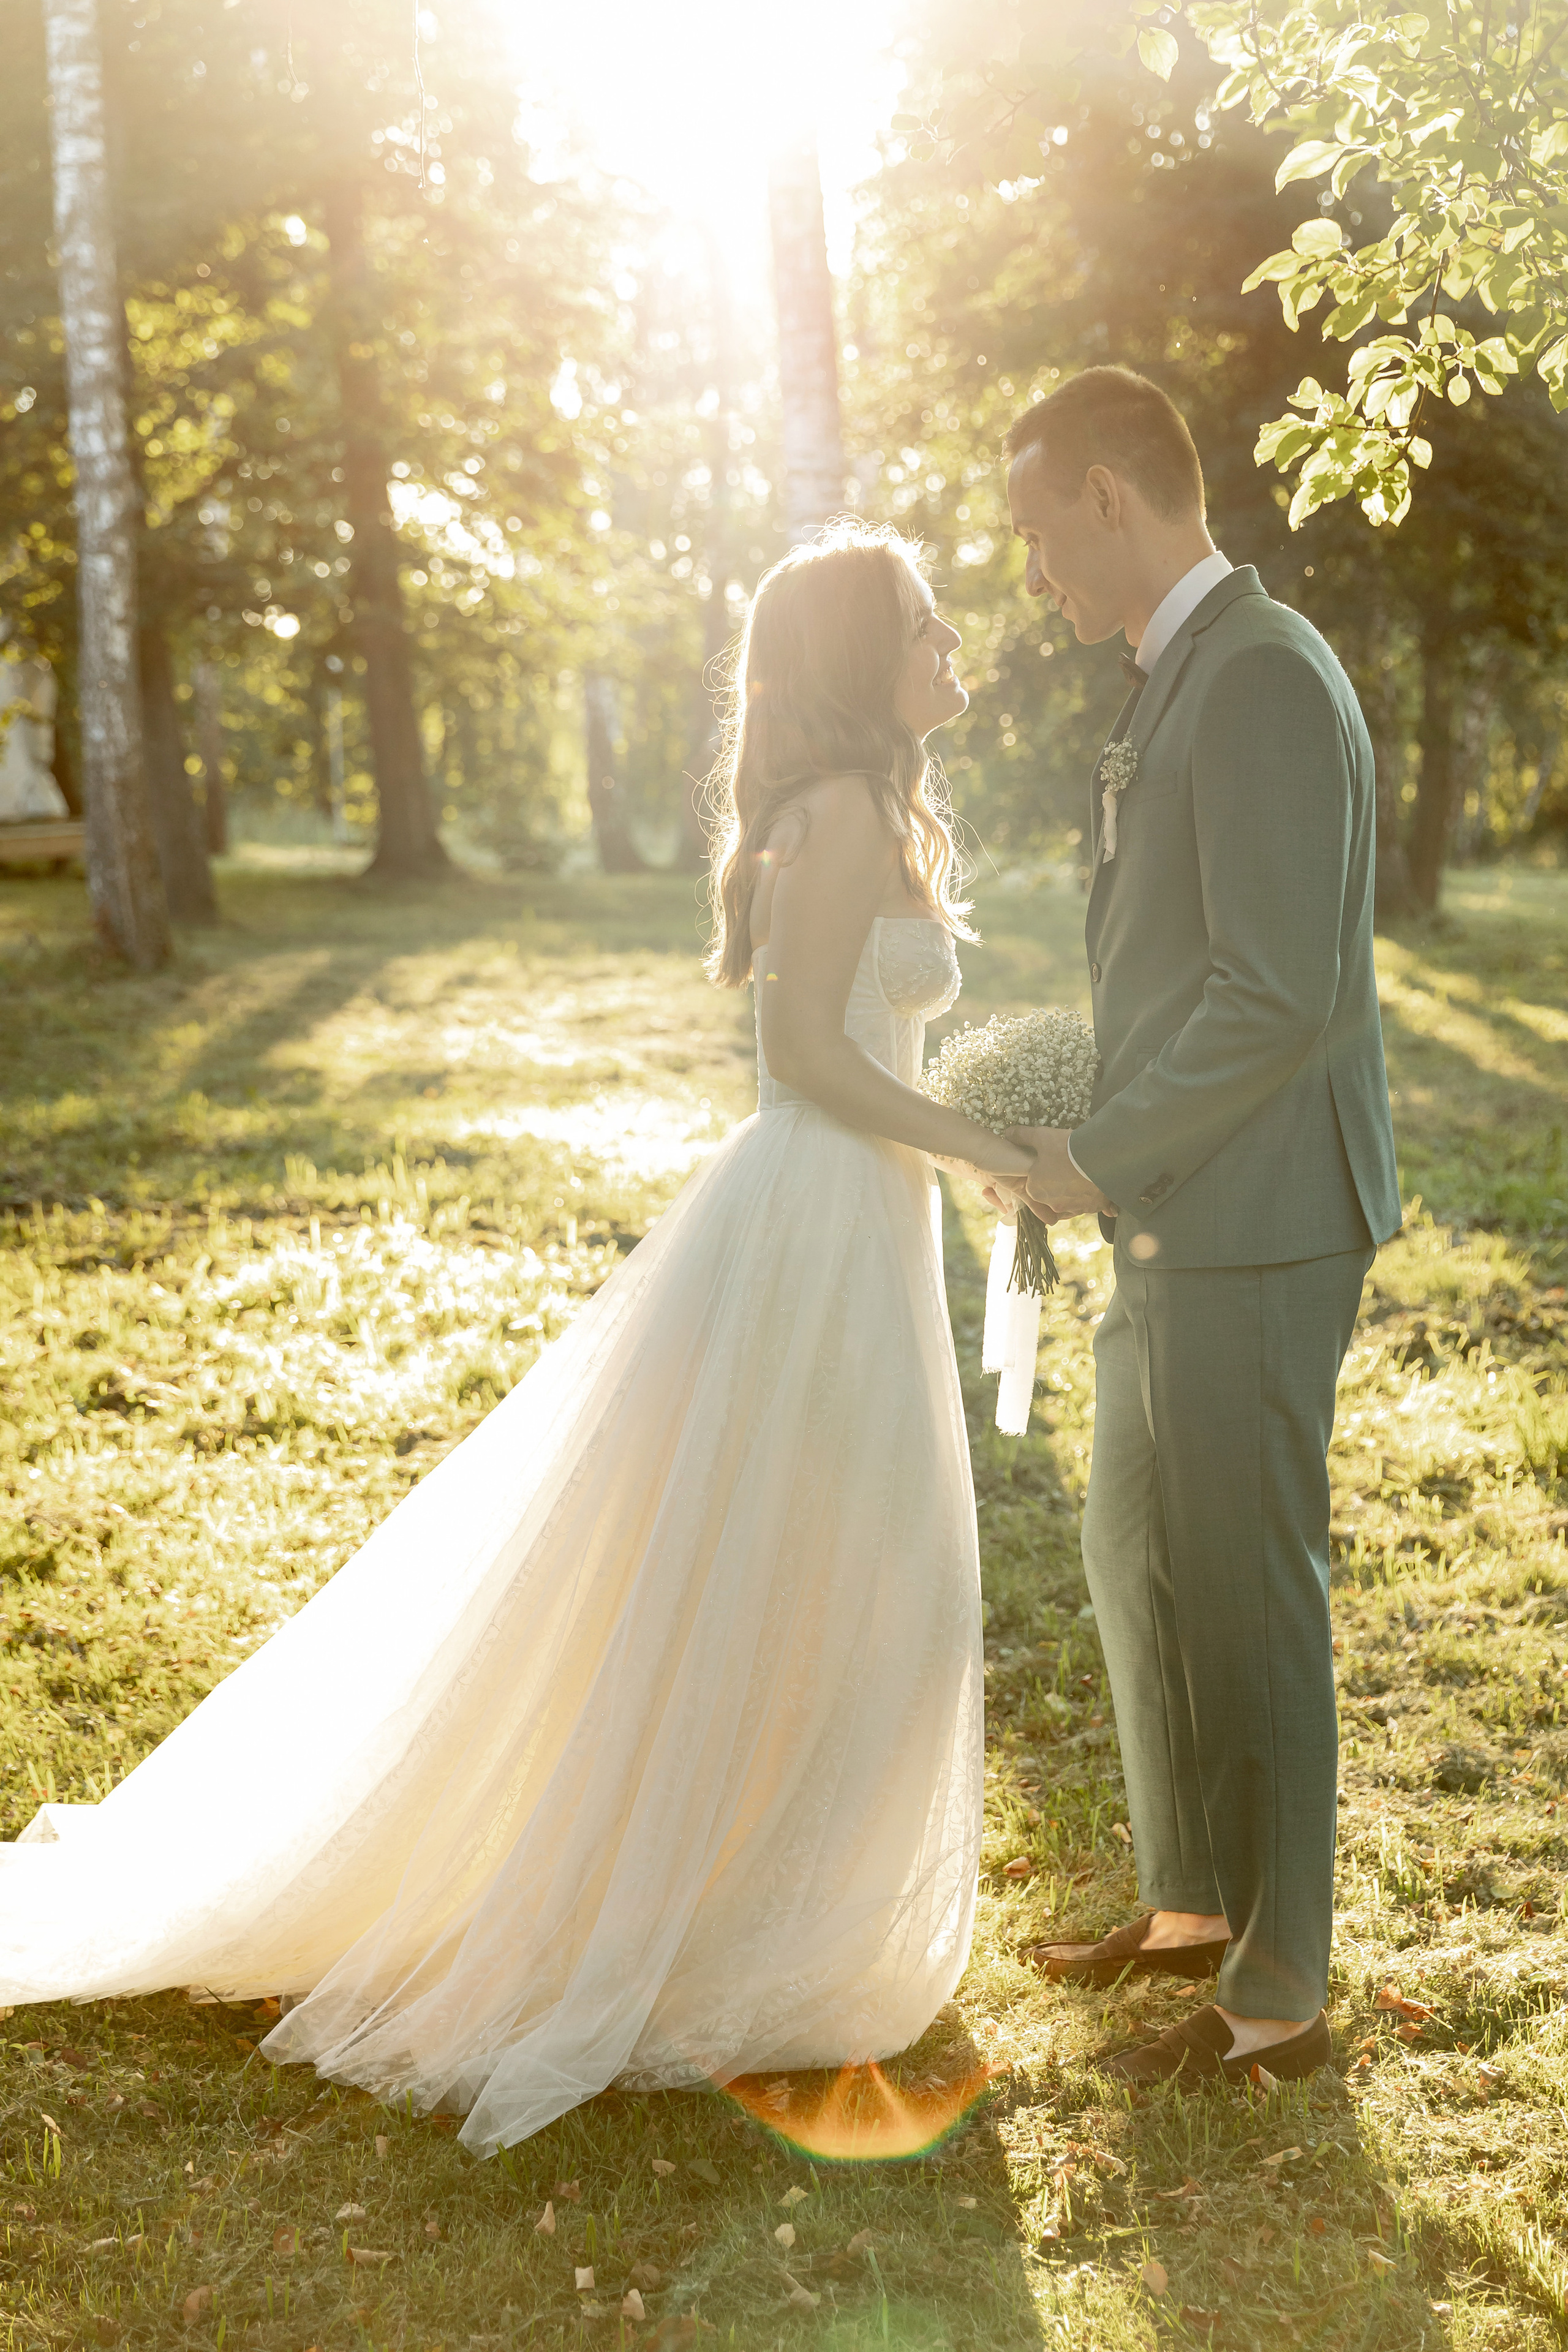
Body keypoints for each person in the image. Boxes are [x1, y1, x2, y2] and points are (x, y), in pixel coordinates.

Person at [0, 521, 1036, 2157]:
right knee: (828, 1566)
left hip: (862, 1218)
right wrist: (976, 1147)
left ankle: (773, 1892)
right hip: (817, 1216)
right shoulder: (834, 814)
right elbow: (811, 1066)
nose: (952, 638)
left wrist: (957, 1148)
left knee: (857, 1572)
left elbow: (858, 1047)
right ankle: (728, 1913)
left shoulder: (872, 808)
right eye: (924, 619)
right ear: (858, 657)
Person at [997, 368, 1401, 2088]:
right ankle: (1186, 1903)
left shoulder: (1256, 678)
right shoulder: (1178, 680)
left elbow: (1276, 993)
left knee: (1245, 1585)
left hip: (1254, 1211)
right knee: (1136, 1554)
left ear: (1107, 494)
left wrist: (1097, 1149)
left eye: (1035, 533)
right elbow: (1172, 961)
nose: (1033, 575)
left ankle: (1280, 1993)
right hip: (1170, 1209)